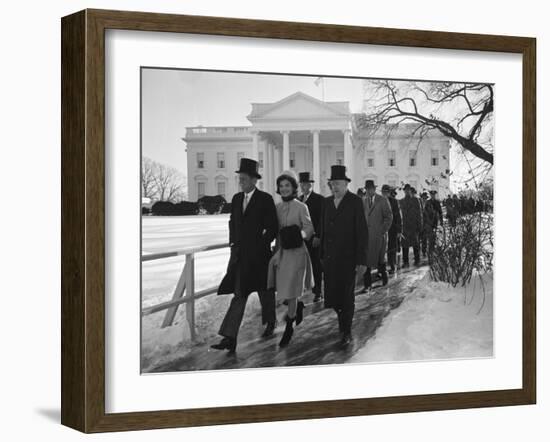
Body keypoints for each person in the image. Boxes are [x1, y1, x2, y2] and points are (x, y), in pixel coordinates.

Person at [211, 158, 278, 354]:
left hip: (259, 258)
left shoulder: (265, 199)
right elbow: (233, 223)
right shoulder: (237, 199)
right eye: (239, 178)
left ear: (253, 180)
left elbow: (272, 227)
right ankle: (229, 337)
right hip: (241, 258)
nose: (240, 182)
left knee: (265, 294)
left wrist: (261, 244)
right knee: (239, 296)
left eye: (243, 179)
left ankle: (270, 322)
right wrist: (233, 242)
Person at [320, 165, 367, 347]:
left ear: (346, 184)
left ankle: (346, 330)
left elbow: (362, 232)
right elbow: (323, 230)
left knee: (347, 297)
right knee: (333, 297)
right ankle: (342, 321)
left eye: (338, 184)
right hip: (330, 259)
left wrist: (361, 260)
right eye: (332, 184)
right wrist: (322, 255)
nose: (335, 187)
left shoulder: (354, 201)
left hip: (349, 259)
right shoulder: (326, 203)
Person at [267, 171, 314, 347]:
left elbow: (309, 229)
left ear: (293, 188)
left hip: (297, 253)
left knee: (292, 291)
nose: (284, 189)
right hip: (281, 253)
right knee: (285, 291)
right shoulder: (277, 208)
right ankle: (298, 308)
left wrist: (298, 235)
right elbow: (273, 230)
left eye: (287, 185)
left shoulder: (301, 207)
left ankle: (289, 327)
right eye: (281, 186)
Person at [360, 180, 393, 291]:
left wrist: (382, 231)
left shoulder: (382, 200)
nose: (369, 191)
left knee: (380, 260)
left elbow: (389, 217)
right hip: (367, 237)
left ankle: (384, 278)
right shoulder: (363, 201)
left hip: (379, 236)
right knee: (366, 261)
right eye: (367, 189)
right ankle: (367, 285)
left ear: (374, 189)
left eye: (371, 189)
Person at [298, 171, 324, 302]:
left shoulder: (319, 199)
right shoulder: (299, 200)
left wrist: (318, 236)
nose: (303, 187)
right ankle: (301, 290)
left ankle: (318, 290)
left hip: (314, 239)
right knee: (301, 265)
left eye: (306, 184)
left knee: (316, 265)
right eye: (302, 184)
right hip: (302, 239)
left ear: (311, 185)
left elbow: (321, 220)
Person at [399, 184, 423, 267]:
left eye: (408, 190)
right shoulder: (401, 201)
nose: (407, 191)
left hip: (414, 227)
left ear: (410, 190)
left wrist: (420, 226)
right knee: (404, 246)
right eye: (405, 190)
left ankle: (417, 260)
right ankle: (405, 262)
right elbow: (400, 215)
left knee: (415, 244)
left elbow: (419, 214)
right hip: (405, 227)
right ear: (404, 191)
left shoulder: (416, 200)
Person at [382, 184, 402, 274]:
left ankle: (392, 265)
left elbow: (398, 217)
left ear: (389, 193)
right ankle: (381, 268)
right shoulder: (379, 201)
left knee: (392, 248)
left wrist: (399, 230)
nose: (385, 194)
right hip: (382, 229)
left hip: (392, 228)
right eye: (383, 192)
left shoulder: (394, 202)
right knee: (381, 249)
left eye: (386, 192)